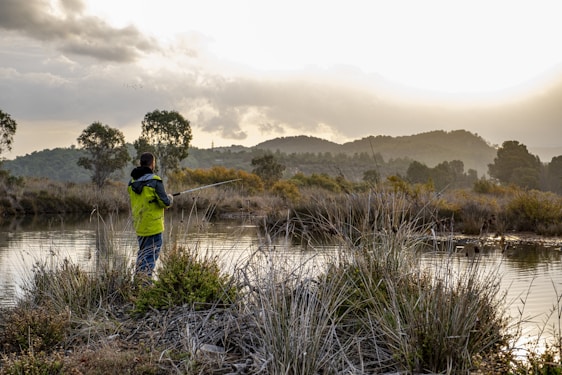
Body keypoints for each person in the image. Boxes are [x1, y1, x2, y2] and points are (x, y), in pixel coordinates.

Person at [128, 152, 173, 280]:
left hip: (139, 225)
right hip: (153, 227)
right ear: (152, 164)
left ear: (141, 163)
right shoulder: (155, 181)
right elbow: (165, 202)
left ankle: (138, 283)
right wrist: (170, 198)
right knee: (150, 258)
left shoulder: (131, 182)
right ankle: (145, 287)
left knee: (142, 255)